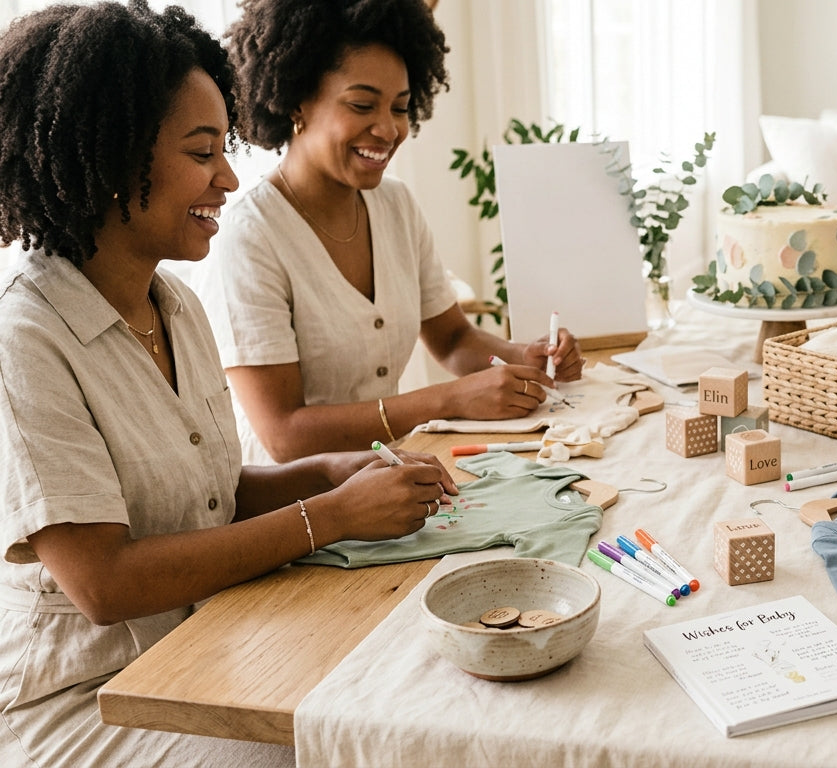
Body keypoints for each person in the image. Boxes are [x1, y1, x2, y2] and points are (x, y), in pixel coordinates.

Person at [0, 4, 458, 764]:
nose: (229, 176)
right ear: (115, 159)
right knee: (325, 749)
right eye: (202, 152)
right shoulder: (26, 341)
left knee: (403, 685)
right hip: (86, 701)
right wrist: (329, 516)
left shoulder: (171, 302)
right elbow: (105, 582)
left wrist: (329, 474)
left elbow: (206, 494)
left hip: (201, 644)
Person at [194, 0, 583, 466]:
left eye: (400, 107)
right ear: (297, 99)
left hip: (387, 483)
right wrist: (448, 400)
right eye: (362, 105)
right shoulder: (251, 238)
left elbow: (454, 340)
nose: (388, 129)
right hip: (297, 509)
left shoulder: (394, 204)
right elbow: (284, 434)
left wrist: (523, 357)